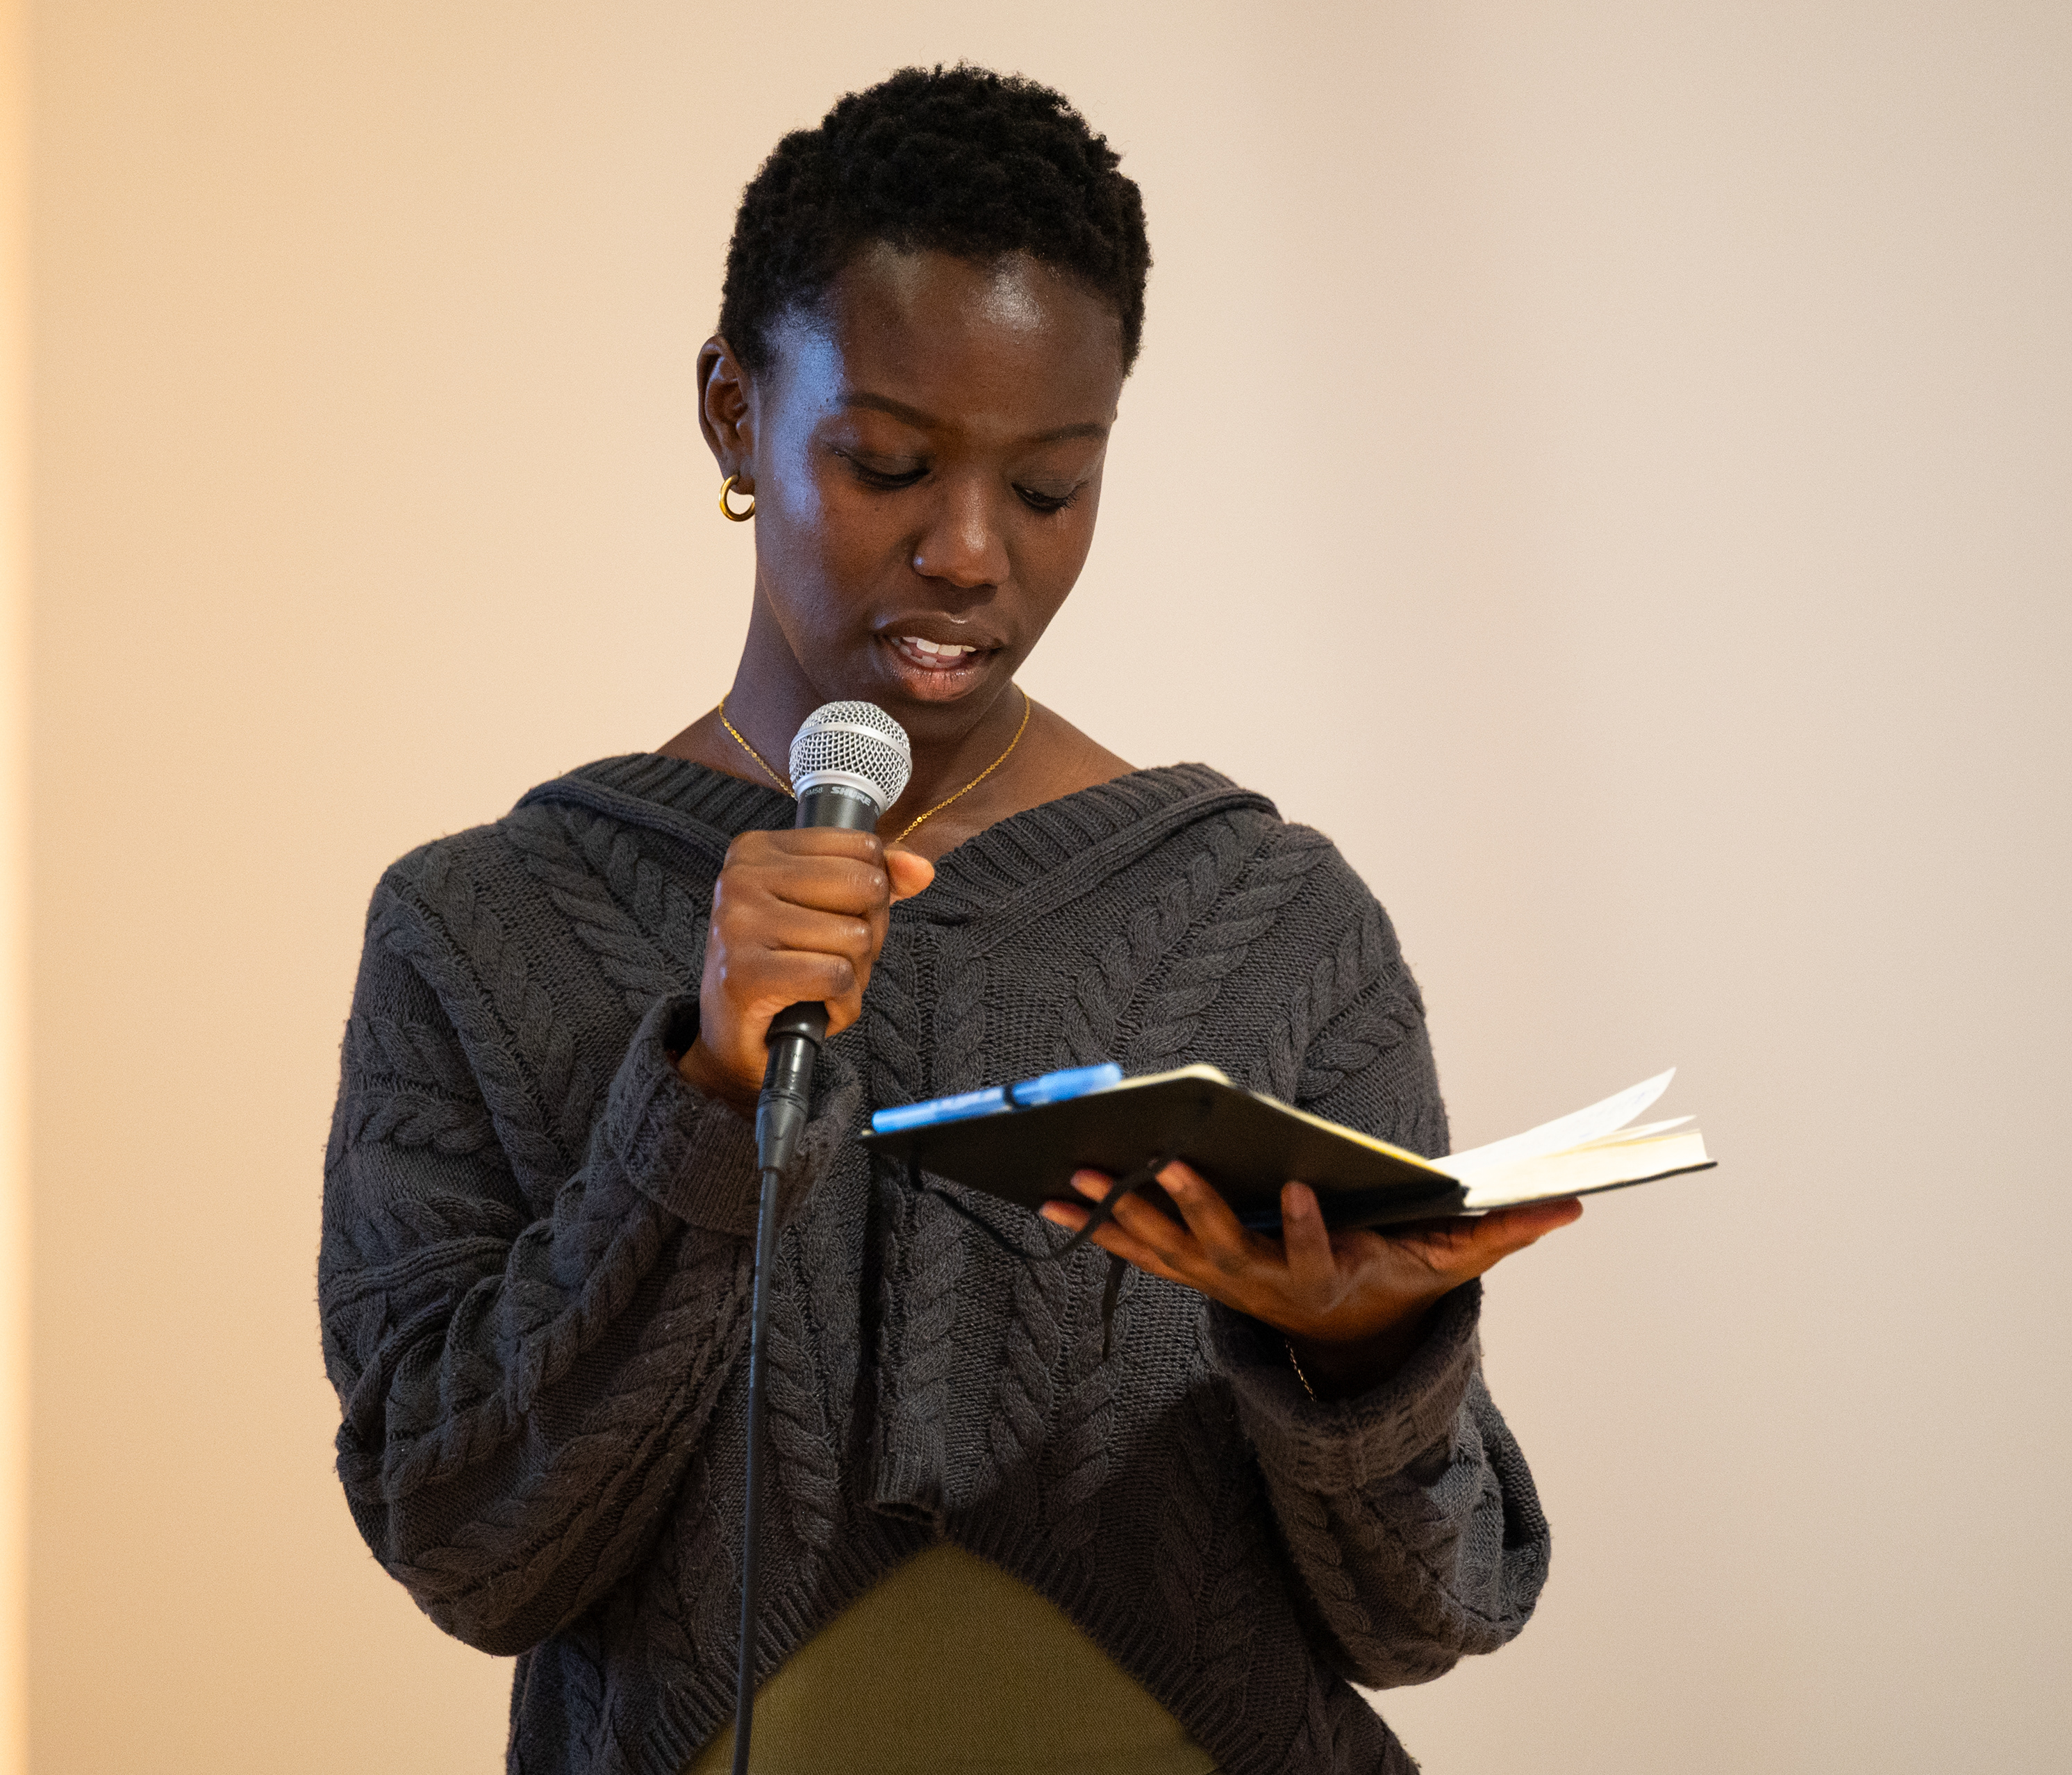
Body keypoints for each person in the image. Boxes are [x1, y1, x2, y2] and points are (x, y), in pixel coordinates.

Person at [320, 65, 1580, 1775]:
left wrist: (1359, 1363)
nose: (973, 552)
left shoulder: (1271, 924)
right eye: (890, 464)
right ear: (733, 412)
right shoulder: (486, 927)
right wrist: (700, 1099)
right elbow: (465, 1544)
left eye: (1051, 487)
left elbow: (1430, 1616)